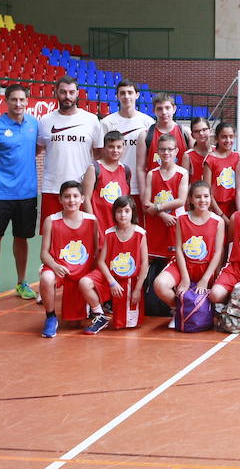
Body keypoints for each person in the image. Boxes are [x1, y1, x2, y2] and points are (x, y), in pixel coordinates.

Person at [0, 84, 39, 304]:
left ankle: (22, 282)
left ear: (27, 101)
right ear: (7, 101)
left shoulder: (33, 125)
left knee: (22, 238)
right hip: (0, 194)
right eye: (14, 100)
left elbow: (36, 149)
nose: (19, 104)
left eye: (22, 100)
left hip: (27, 194)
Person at [153, 181, 225, 319]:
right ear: (190, 199)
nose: (202, 200)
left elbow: (217, 253)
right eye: (198, 197)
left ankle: (197, 312)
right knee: (159, 284)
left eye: (206, 196)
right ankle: (178, 311)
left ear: (211, 198)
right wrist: (185, 278)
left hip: (206, 267)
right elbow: (179, 249)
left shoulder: (218, 221)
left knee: (215, 294)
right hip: (184, 265)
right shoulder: (182, 218)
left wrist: (205, 279)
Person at [37, 76, 103, 228]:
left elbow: (98, 155)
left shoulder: (91, 120)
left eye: (71, 92)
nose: (67, 96)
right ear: (56, 92)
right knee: (51, 235)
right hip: (52, 188)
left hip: (81, 190)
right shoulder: (45, 121)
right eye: (63, 92)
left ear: (78, 93)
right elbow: (36, 150)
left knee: (82, 235)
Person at [78, 196, 148, 334]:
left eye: (126, 211)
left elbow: (145, 263)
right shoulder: (109, 233)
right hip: (110, 277)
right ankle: (100, 315)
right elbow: (101, 261)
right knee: (84, 282)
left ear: (132, 212)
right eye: (119, 211)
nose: (123, 215)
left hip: (129, 280)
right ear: (114, 213)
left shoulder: (140, 233)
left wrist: (138, 289)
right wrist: (111, 282)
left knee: (127, 325)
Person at [38, 180, 99, 338]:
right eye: (66, 196)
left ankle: (94, 308)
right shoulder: (51, 221)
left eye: (75, 196)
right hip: (60, 269)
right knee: (46, 277)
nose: (71, 200)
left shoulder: (92, 221)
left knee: (74, 324)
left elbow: (97, 251)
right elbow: (44, 253)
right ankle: (51, 317)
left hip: (82, 272)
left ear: (82, 199)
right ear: (60, 199)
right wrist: (54, 265)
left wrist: (94, 276)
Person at [100, 80, 153, 213]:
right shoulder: (107, 122)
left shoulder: (148, 122)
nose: (126, 96)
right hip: (115, 184)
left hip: (140, 184)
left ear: (137, 95)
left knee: (138, 227)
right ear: (117, 96)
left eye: (130, 92)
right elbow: (101, 154)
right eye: (122, 93)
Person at [142, 134, 189, 260]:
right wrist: (163, 214)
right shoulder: (152, 174)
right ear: (157, 151)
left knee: (175, 258)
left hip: (175, 222)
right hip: (157, 223)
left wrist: (157, 207)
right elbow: (146, 203)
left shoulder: (182, 173)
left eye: (170, 149)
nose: (166, 152)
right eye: (162, 149)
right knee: (155, 261)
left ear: (176, 151)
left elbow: (181, 200)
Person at [135, 92, 192, 194]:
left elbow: (194, 167)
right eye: (159, 108)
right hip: (155, 191)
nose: (164, 112)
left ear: (174, 109)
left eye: (167, 108)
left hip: (179, 192)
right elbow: (140, 168)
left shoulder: (186, 133)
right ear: (154, 111)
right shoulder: (145, 135)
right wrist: (143, 197)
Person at [81, 130, 130, 234]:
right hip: (100, 225)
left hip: (118, 226)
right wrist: (92, 225)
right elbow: (85, 199)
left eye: (119, 147)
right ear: (104, 148)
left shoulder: (125, 170)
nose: (115, 150)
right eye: (111, 146)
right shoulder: (94, 168)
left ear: (123, 148)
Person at [202, 122, 240, 220]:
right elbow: (207, 191)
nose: (228, 140)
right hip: (217, 210)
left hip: (235, 208)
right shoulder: (210, 160)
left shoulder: (238, 157)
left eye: (231, 137)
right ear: (216, 138)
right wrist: (221, 215)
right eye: (224, 137)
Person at [182, 117, 212, 184]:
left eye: (204, 129)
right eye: (196, 131)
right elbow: (184, 183)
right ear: (192, 135)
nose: (201, 133)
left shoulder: (217, 151)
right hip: (196, 193)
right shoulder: (188, 155)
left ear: (210, 131)